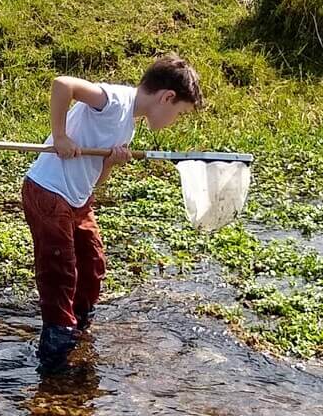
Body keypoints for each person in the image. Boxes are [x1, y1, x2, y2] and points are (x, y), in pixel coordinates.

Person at [22, 54, 202, 371]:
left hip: (77, 199)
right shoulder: (115, 101)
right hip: (48, 191)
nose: (176, 119)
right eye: (180, 113)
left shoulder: (127, 126)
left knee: (92, 264)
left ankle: (78, 329)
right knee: (60, 272)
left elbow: (96, 176)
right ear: (167, 97)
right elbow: (63, 85)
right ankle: (56, 347)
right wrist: (60, 136)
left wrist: (110, 164)